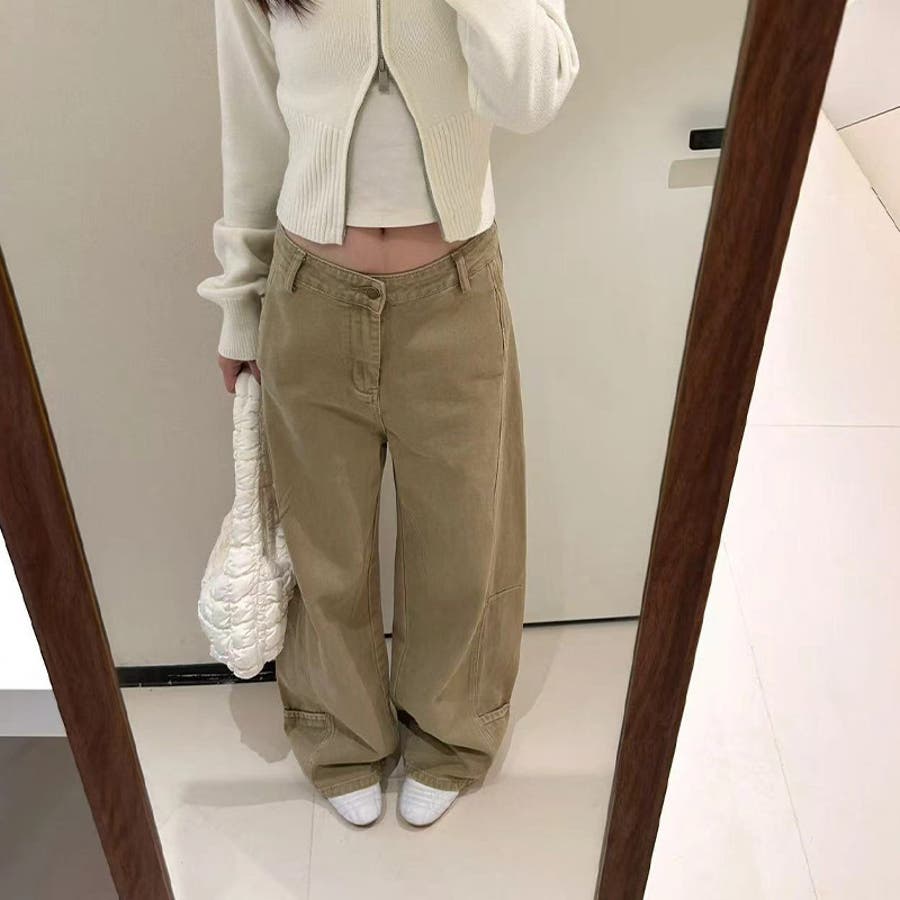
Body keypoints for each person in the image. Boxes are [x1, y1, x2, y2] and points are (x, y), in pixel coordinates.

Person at [197, 0, 579, 827]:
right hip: (309, 295)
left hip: (456, 293)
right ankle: (339, 737)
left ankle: (449, 737)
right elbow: (251, 132)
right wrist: (239, 304)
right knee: (323, 541)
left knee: (464, 540)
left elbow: (533, 96)